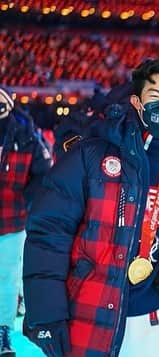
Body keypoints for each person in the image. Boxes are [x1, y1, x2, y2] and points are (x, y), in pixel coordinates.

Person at [22, 58, 159, 357]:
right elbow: (50, 231)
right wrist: (47, 313)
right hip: (94, 312)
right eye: (155, 97)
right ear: (137, 102)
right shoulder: (92, 153)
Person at [0, 86, 52, 356]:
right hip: (14, 217)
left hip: (11, 220)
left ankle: (3, 331)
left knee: (7, 279)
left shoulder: (26, 137)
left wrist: (28, 204)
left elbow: (43, 177)